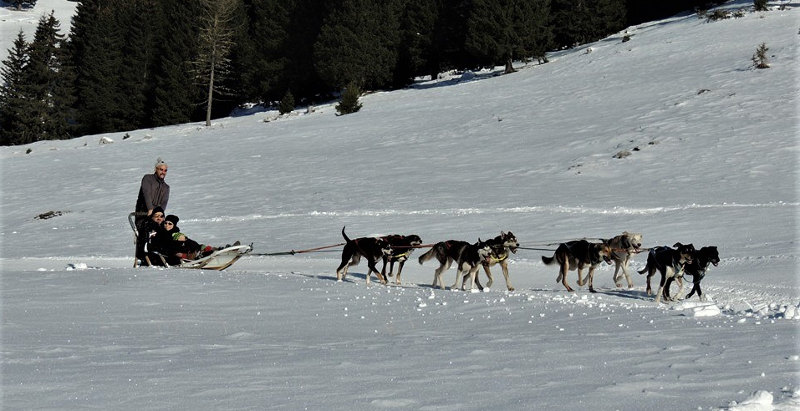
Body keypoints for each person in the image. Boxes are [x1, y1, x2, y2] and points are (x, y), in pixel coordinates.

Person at [135, 157, 170, 228]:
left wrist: (159, 213)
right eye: (161, 170)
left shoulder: (166, 187)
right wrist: (150, 209)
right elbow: (146, 193)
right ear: (156, 169)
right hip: (144, 213)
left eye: (165, 170)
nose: (163, 172)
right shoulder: (148, 179)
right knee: (146, 230)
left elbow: (164, 202)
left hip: (157, 216)